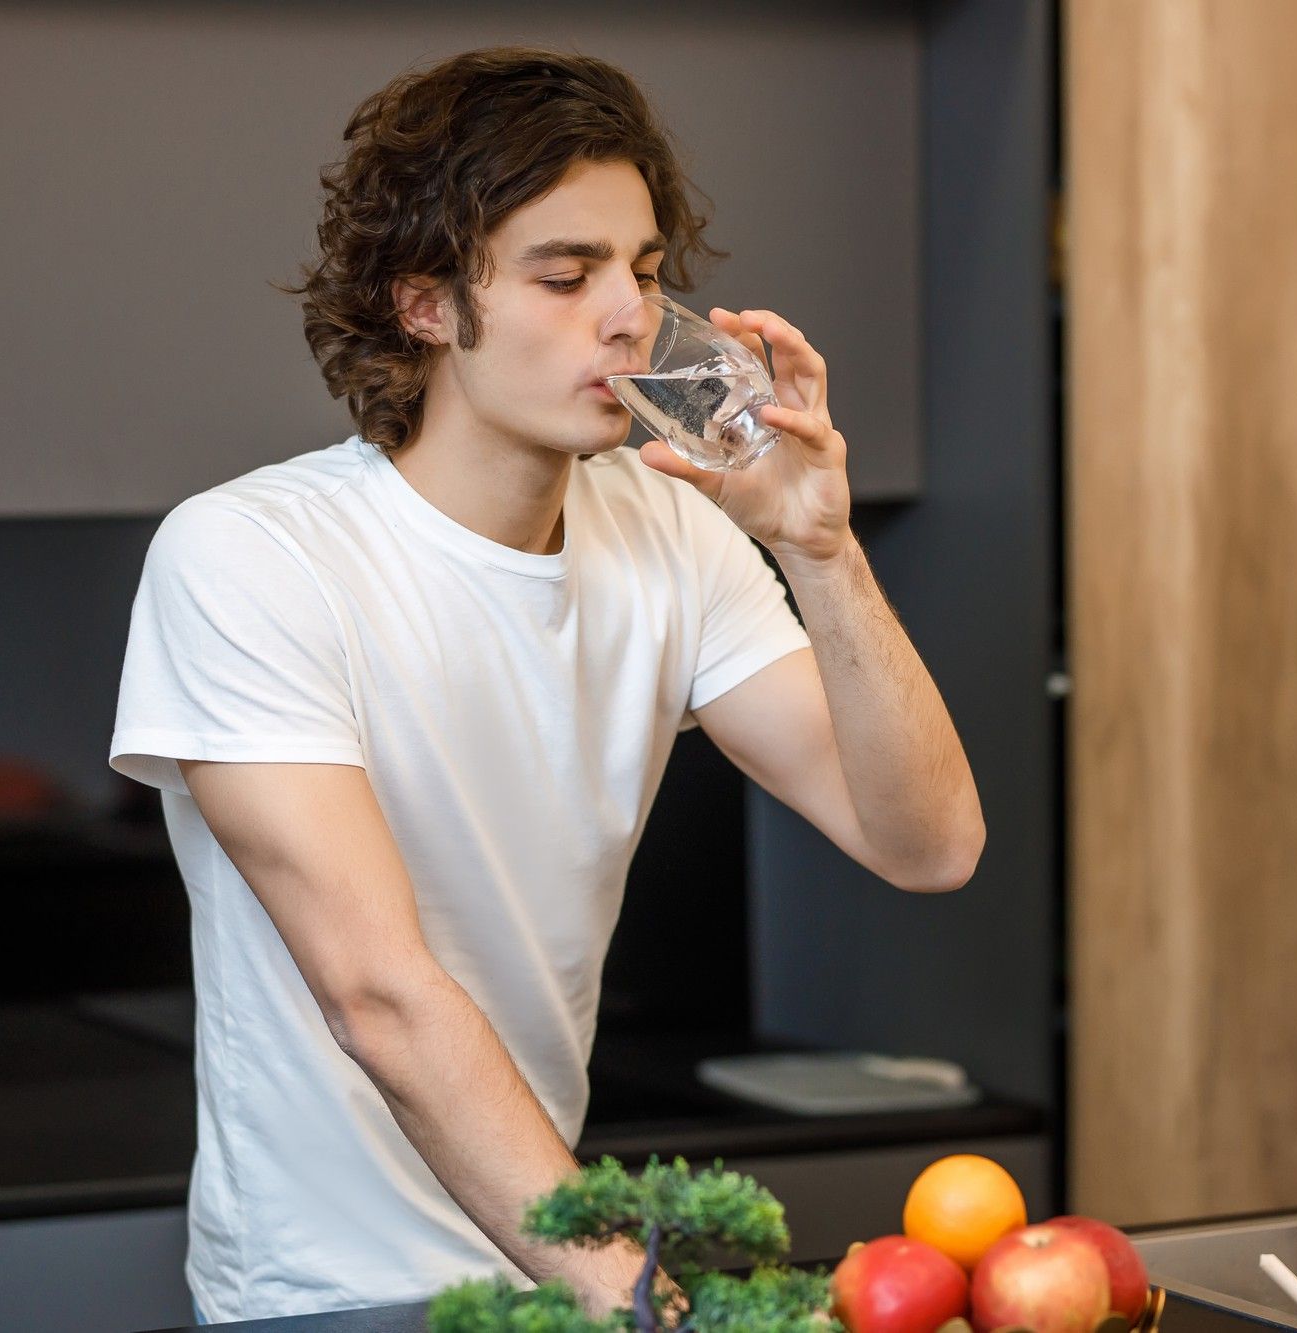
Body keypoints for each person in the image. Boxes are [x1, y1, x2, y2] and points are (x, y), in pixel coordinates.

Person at [108, 45, 984, 1324]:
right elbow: (380, 994)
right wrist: (645, 1301)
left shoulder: (671, 534)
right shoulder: (251, 556)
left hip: (552, 1272)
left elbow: (928, 842)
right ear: (423, 304)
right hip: (326, 1293)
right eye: (564, 275)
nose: (626, 313)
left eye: (639, 268)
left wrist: (819, 549)